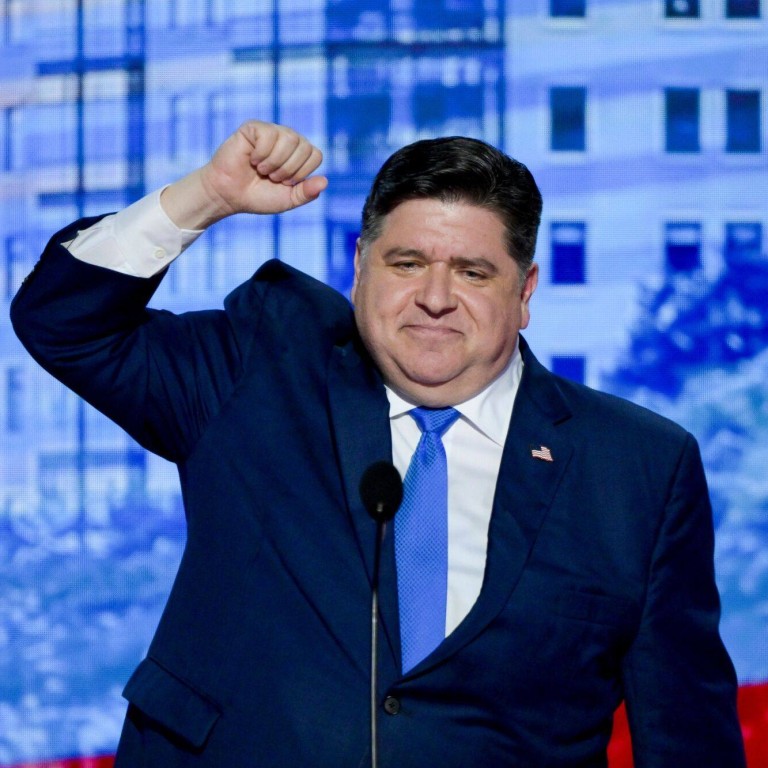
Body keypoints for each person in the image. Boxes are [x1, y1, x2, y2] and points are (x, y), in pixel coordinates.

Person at [11, 121, 746, 767]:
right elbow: (63, 322)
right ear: (361, 264)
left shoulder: (638, 465)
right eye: (406, 263)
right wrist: (205, 196)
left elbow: (684, 735)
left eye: (473, 272)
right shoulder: (260, 367)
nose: (434, 296)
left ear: (524, 294)